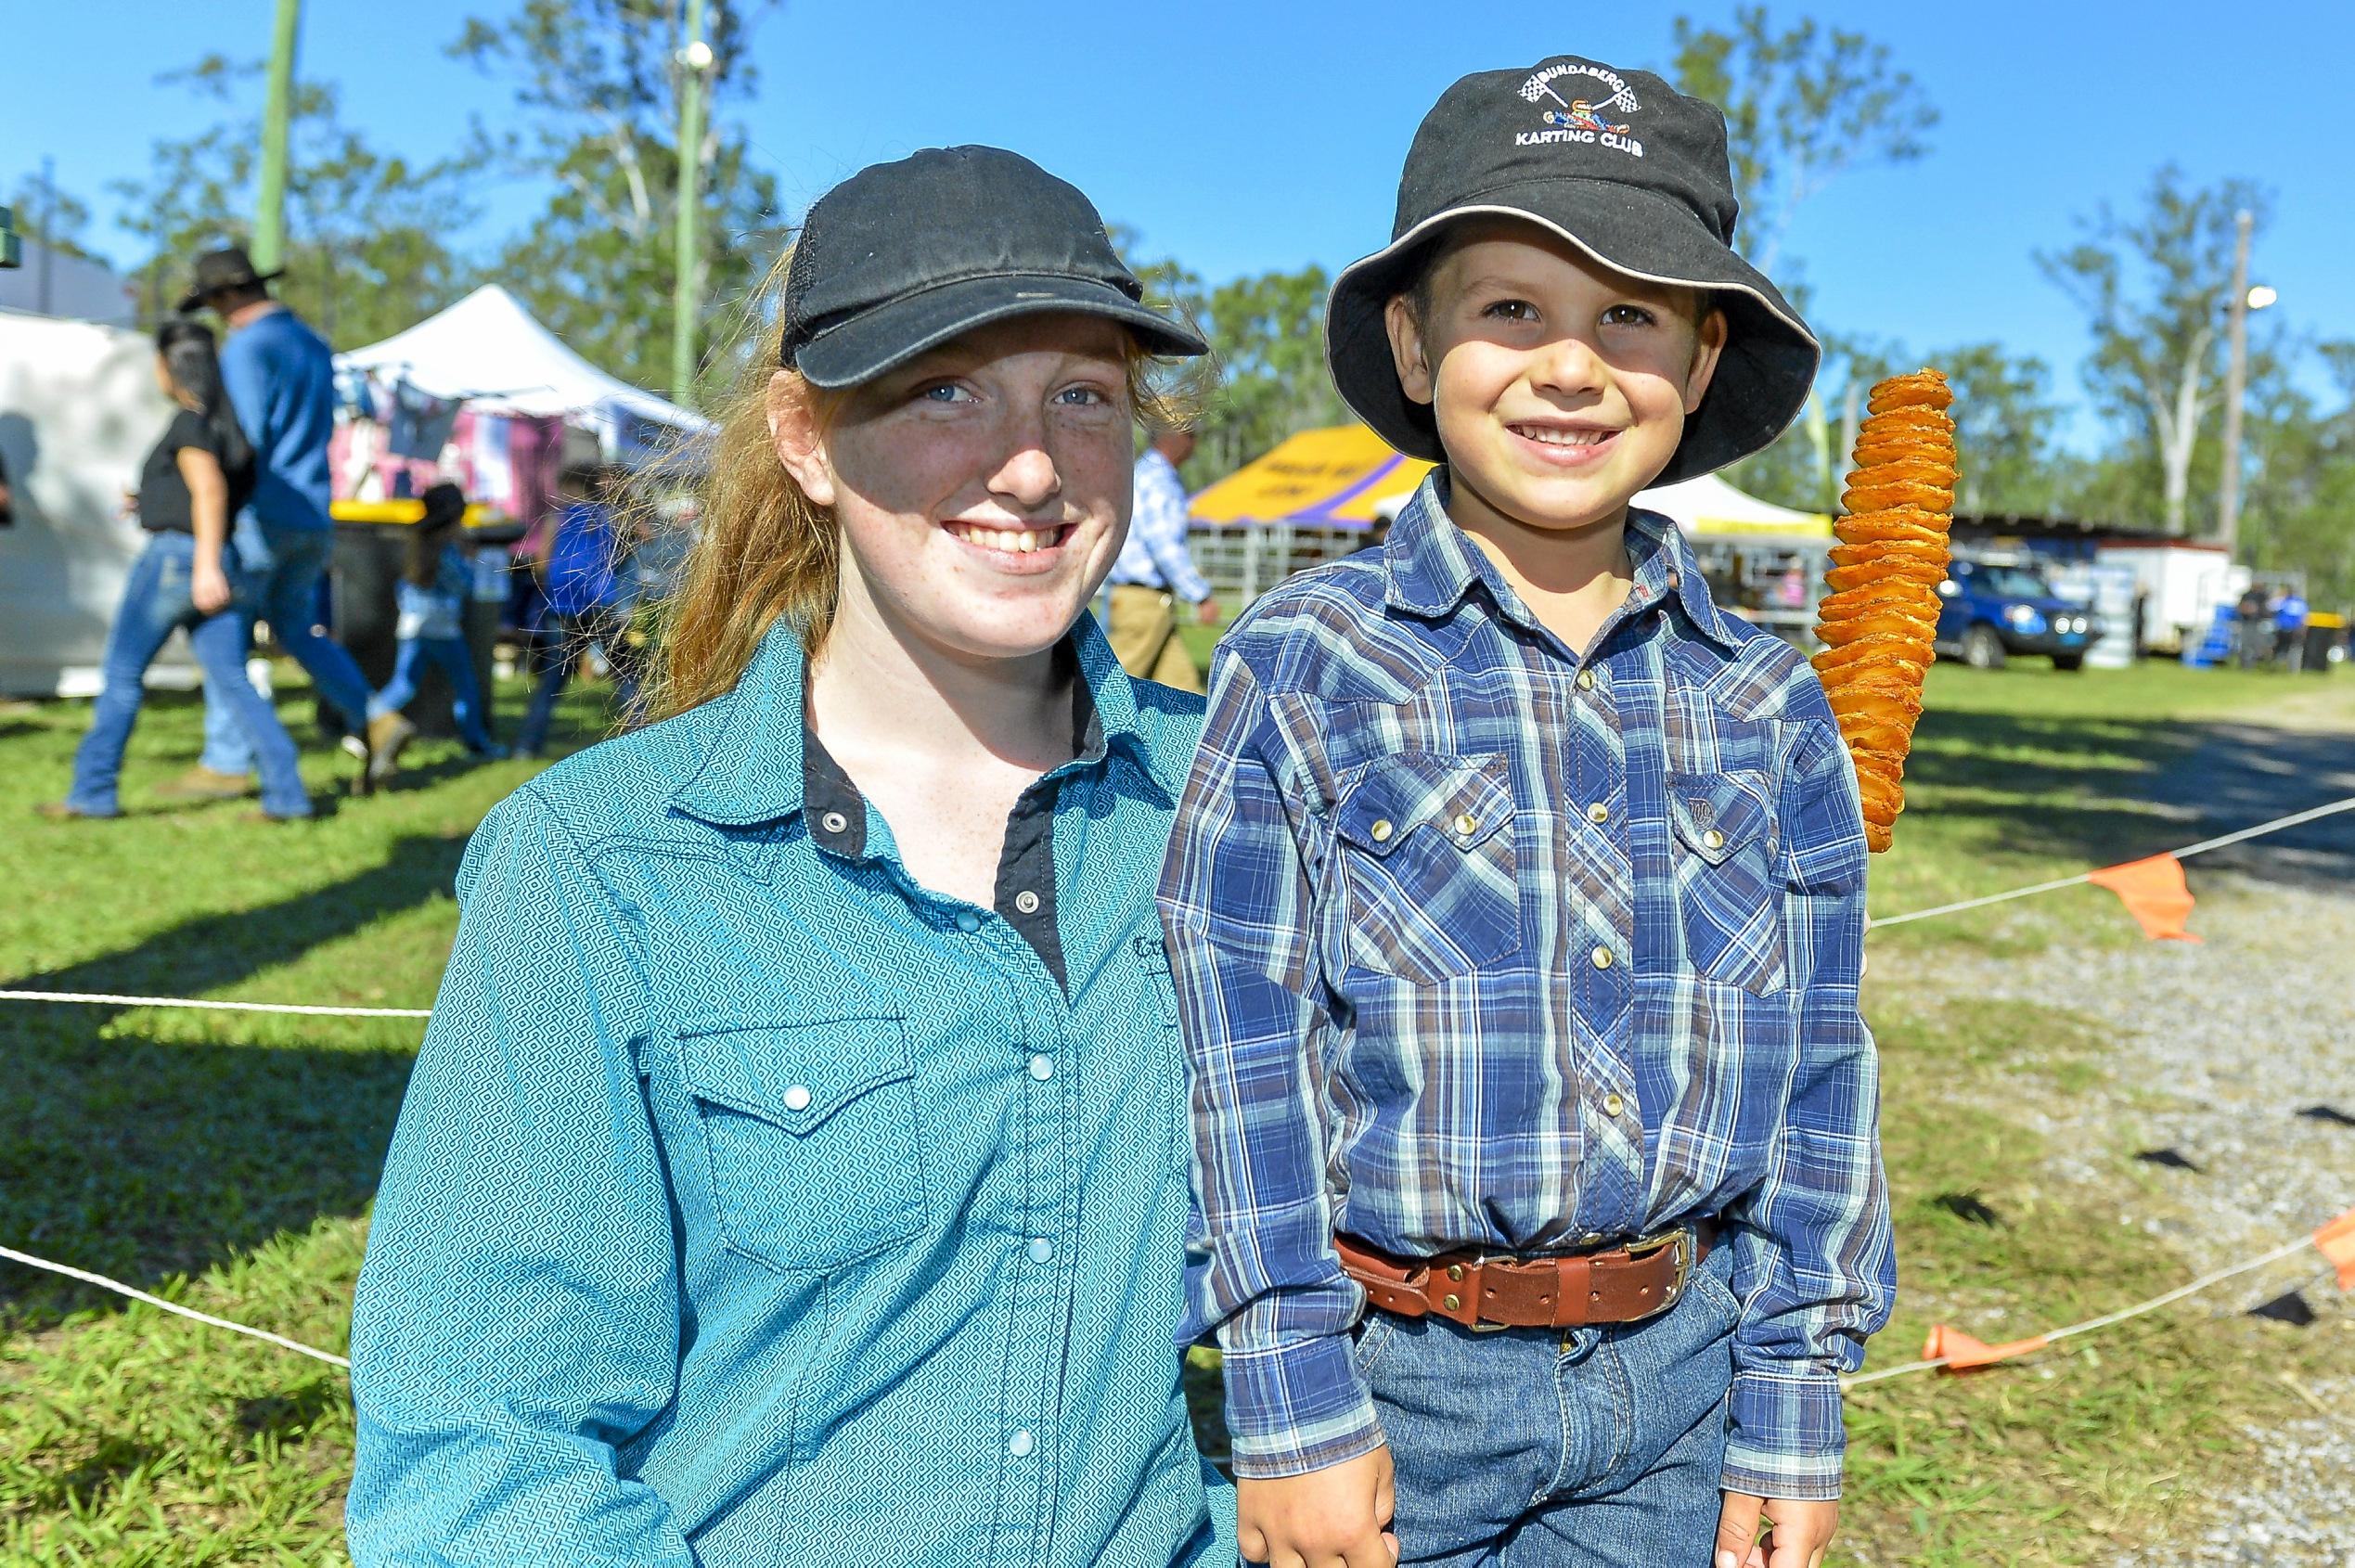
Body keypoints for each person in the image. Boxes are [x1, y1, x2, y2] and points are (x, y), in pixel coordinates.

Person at [346, 145, 1235, 1567]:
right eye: (944, 389)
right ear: (806, 436)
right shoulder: (599, 866)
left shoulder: (1245, 798)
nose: (1028, 463)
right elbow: (483, 1456)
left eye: (1082, 394)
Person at [1160, 56, 1895, 1568]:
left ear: (1698, 365)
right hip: (1388, 1382)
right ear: (1412, 345)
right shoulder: (1305, 663)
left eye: (1628, 317)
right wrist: (1288, 1391)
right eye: (1510, 311)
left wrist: (1793, 1394)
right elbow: (1235, 1046)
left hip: (1680, 1383)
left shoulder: (1766, 702)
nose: (1569, 366)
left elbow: (1819, 1071)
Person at [44, 319, 311, 822]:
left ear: (170, 366)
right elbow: (206, 491)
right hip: (213, 558)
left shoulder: (190, 422)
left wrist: (204, 566)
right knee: (233, 680)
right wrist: (150, 500)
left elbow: (208, 491)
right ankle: (288, 796)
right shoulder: (228, 428)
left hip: (180, 562)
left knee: (122, 675)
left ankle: (93, 792)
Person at [161, 245, 380, 799]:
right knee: (299, 630)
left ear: (228, 295)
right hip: (312, 510)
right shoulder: (312, 342)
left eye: (215, 303)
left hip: (262, 512)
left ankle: (227, 761)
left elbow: (243, 441)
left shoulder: (247, 349)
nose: (217, 315)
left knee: (224, 629)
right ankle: (375, 717)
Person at [363, 482, 501, 778]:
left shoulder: (416, 542)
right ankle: (476, 743)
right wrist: (469, 556)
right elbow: (466, 585)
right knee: (465, 685)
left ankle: (364, 722)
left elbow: (404, 586)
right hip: (442, 630)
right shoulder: (448, 550)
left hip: (412, 627)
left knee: (404, 684)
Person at [511, 464, 649, 758]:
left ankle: (527, 745)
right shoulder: (606, 516)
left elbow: (541, 564)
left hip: (561, 606)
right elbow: (633, 543)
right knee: (624, 673)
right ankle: (641, 733)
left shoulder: (556, 518)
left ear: (571, 487)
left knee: (552, 679)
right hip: (601, 604)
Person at [1106, 424, 1218, 691]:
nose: (1194, 445)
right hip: (1143, 605)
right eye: (1192, 436)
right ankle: (1074, 734)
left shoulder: (1144, 473)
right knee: (1111, 692)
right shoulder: (1159, 480)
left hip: (1151, 603)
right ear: (1177, 438)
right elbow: (1164, 546)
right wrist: (1199, 594)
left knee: (1183, 690)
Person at [2273, 585, 2310, 673]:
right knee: (2295, 648)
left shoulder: (2283, 601)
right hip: (2297, 630)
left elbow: (2273, 608)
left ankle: (2278, 667)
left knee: (2281, 648)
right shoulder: (2301, 602)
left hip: (2284, 629)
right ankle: (2294, 668)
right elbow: (2305, 617)